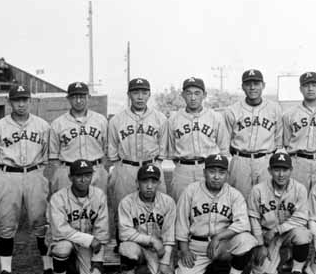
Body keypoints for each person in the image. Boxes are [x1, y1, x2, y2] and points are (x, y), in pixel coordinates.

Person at [0, 84, 53, 274]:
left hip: (35, 173)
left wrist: (38, 173)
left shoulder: (42, 125)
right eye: (17, 100)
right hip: (8, 175)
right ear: (10, 102)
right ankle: (5, 270)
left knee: (41, 222)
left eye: (25, 99)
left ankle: (48, 268)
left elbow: (47, 156)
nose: (21, 104)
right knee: (6, 223)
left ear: (30, 101)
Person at [173, 154, 257, 274]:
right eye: (212, 172)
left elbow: (243, 223)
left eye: (221, 172)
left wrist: (219, 237)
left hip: (222, 246)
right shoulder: (191, 191)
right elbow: (181, 223)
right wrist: (185, 250)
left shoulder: (234, 194)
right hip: (196, 248)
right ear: (204, 172)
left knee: (247, 240)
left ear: (227, 175)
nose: (216, 177)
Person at [108, 78, 169, 238]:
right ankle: (124, 245)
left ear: (149, 94)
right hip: (126, 167)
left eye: (144, 92)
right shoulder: (117, 120)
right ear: (129, 95)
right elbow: (113, 149)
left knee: (157, 206)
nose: (140, 97)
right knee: (122, 205)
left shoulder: (160, 118)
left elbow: (163, 149)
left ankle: (156, 242)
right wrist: (119, 167)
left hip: (152, 166)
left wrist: (158, 163)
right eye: (136, 92)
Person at [47, 159, 110, 274]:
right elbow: (60, 230)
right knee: (63, 248)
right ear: (70, 178)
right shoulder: (58, 198)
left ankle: (74, 266)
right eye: (79, 176)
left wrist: (97, 258)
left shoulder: (99, 195)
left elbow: (102, 230)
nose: (83, 180)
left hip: (86, 245)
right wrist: (89, 240)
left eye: (87, 175)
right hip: (62, 240)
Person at [247, 152, 311, 274]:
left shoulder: (300, 189)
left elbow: (301, 218)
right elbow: (254, 219)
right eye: (277, 170)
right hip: (266, 237)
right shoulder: (257, 190)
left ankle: (296, 272)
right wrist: (260, 245)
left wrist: (277, 229)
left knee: (303, 234)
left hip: (288, 233)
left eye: (285, 170)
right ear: (270, 170)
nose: (281, 174)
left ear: (291, 170)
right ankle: (284, 256)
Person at [117, 163, 176, 274]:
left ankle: (152, 268)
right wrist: (151, 240)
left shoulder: (168, 202)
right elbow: (124, 233)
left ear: (159, 183)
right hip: (138, 246)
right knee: (126, 248)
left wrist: (165, 262)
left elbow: (169, 235)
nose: (149, 186)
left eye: (153, 181)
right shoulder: (127, 202)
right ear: (137, 182)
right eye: (145, 181)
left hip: (159, 250)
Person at [167, 77, 229, 200]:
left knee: (208, 208)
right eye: (189, 93)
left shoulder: (215, 117)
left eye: (197, 93)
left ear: (204, 95)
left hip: (208, 168)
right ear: (183, 95)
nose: (193, 97)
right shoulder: (173, 119)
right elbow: (171, 150)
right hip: (182, 170)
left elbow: (223, 149)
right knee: (181, 207)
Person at [225, 69, 283, 198]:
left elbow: (278, 141)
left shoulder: (274, 109)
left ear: (263, 85)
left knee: (267, 200)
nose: (252, 87)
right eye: (248, 84)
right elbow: (226, 141)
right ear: (242, 87)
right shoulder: (232, 110)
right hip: (240, 160)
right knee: (238, 199)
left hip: (265, 160)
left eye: (256, 83)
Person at [49, 82, 108, 194]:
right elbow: (53, 156)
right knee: (66, 207)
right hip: (68, 172)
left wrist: (100, 168)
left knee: (96, 207)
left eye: (82, 97)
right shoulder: (58, 123)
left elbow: (106, 149)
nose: (79, 101)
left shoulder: (101, 120)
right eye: (74, 97)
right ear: (68, 99)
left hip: (95, 170)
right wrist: (61, 172)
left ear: (88, 97)